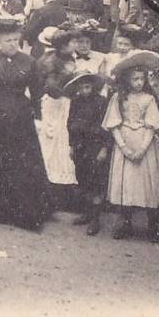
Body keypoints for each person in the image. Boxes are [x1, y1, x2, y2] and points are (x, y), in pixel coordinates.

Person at [0, 19, 51, 230]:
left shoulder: (29, 62)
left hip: (19, 118)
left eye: (16, 40)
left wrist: (38, 116)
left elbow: (36, 91)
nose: (13, 44)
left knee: (20, 163)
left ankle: (23, 210)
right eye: (8, 40)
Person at [104, 51, 159, 242]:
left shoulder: (149, 99)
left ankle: (153, 226)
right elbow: (113, 124)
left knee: (147, 183)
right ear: (126, 80)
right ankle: (125, 223)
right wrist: (124, 148)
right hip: (124, 141)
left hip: (144, 144)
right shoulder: (118, 98)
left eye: (141, 79)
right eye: (134, 79)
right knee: (126, 184)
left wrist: (142, 149)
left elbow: (152, 125)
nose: (139, 83)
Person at [65, 73, 111, 235]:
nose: (85, 90)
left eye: (87, 87)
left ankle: (95, 219)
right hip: (80, 146)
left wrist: (104, 148)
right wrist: (71, 146)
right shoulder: (75, 102)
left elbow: (107, 126)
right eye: (81, 87)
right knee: (82, 178)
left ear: (93, 87)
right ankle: (86, 213)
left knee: (96, 181)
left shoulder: (101, 102)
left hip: (95, 146)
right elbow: (69, 123)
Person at [35, 29, 78, 200]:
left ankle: (63, 189)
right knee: (54, 143)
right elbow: (51, 87)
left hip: (65, 103)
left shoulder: (67, 58)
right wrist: (68, 90)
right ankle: (52, 188)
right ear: (63, 45)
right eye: (72, 42)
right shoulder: (51, 61)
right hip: (56, 104)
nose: (76, 45)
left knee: (63, 144)